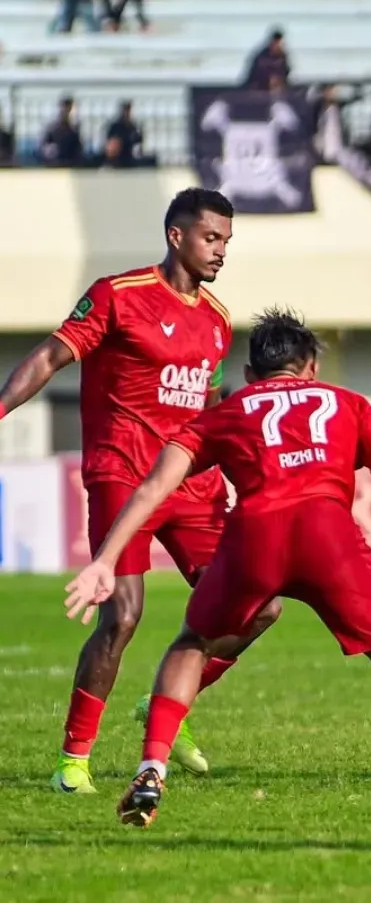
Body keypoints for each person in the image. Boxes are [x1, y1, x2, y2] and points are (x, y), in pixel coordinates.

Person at [64, 309, 371, 832]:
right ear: (310, 368)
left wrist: (104, 559)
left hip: (254, 537)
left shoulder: (228, 410)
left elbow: (152, 486)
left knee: (192, 644)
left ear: (249, 373)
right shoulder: (347, 403)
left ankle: (152, 766)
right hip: (329, 538)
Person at [0, 188, 280, 793]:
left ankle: (165, 705)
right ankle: (73, 761)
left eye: (227, 241)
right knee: (122, 615)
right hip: (123, 476)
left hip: (193, 486)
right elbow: (50, 357)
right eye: (212, 238)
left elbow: (205, 404)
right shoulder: (117, 296)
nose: (221, 252)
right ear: (176, 236)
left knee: (260, 605)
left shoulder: (218, 319)